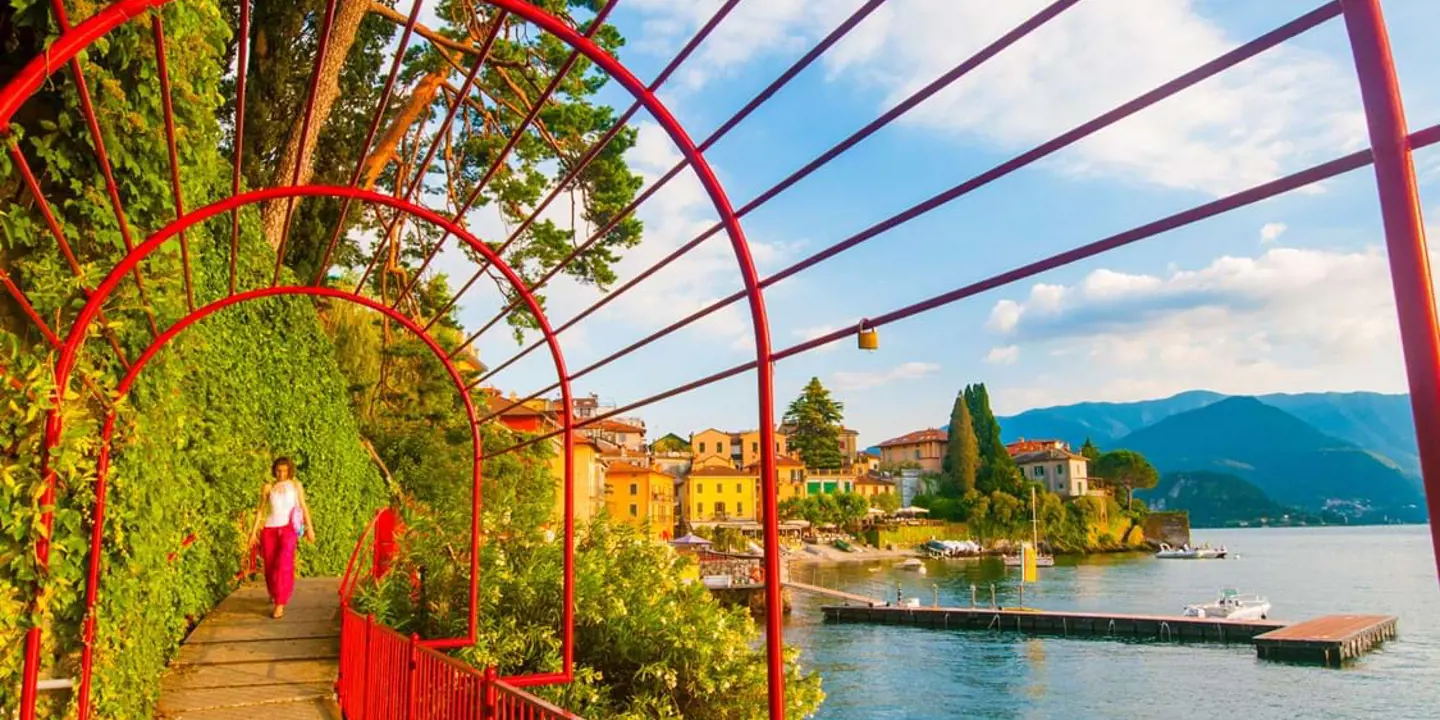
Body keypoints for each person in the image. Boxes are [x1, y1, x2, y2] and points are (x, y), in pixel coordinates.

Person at [250, 457, 316, 618]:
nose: (282, 474)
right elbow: (261, 510)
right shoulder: (268, 487)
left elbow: (303, 506)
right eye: (279, 470)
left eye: (285, 471)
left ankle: (280, 603)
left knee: (284, 563)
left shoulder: (295, 486)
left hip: (288, 529)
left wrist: (310, 529)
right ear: (274, 470)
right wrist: (252, 533)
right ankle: (274, 592)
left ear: (289, 471)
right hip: (270, 529)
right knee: (271, 565)